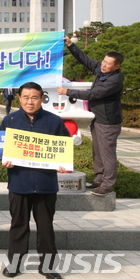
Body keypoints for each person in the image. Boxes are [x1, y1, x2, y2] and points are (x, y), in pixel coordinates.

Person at [0, 82, 69, 279]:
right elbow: (0, 148)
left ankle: (48, 267)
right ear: (19, 98)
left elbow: (64, 149)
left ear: (41, 98)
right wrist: (5, 160)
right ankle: (14, 263)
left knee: (46, 227)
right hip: (19, 183)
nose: (30, 101)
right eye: (26, 97)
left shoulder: (54, 121)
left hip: (46, 184)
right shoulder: (9, 120)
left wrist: (63, 165)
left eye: (34, 97)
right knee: (18, 225)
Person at [58, 37, 124, 197]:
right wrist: (71, 45)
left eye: (108, 63)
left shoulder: (114, 80)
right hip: (98, 119)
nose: (104, 64)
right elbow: (85, 60)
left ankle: (107, 185)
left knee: (107, 154)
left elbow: (93, 94)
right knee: (98, 152)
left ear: (117, 66)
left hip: (108, 122)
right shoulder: (102, 70)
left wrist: (68, 92)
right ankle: (99, 180)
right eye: (104, 61)